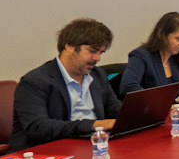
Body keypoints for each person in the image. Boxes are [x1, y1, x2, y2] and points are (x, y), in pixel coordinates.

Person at [10, 18, 122, 151]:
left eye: (101, 52)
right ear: (69, 47)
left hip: (93, 145)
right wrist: (95, 125)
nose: (98, 58)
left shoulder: (97, 75)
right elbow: (38, 127)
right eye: (92, 51)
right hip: (49, 151)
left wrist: (134, 116)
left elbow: (114, 108)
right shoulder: (34, 81)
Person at [119, 12, 179, 106]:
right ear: (161, 34)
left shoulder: (177, 58)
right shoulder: (141, 55)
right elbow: (129, 87)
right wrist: (159, 104)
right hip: (148, 114)